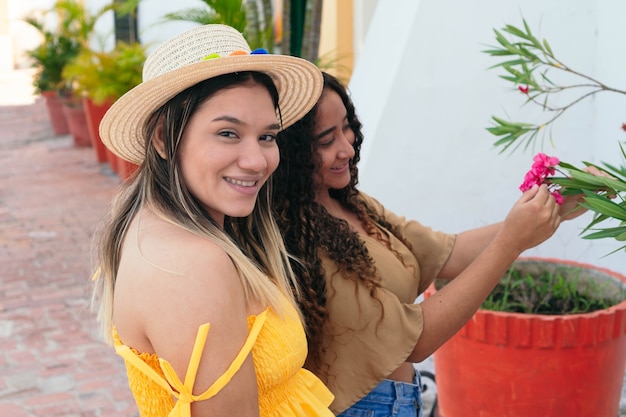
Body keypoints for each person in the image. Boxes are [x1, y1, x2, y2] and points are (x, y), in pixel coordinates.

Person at [271, 72, 600, 417]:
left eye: (347, 126)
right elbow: (418, 339)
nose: (348, 146)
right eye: (326, 140)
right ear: (292, 153)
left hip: (398, 400)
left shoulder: (347, 202)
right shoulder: (297, 238)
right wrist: (511, 242)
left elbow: (449, 251)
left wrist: (558, 208)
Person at [91, 24, 335, 417]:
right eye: (227, 133)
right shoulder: (190, 264)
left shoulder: (175, 228)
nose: (257, 161)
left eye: (268, 137)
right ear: (162, 138)